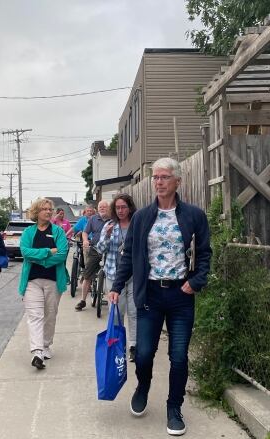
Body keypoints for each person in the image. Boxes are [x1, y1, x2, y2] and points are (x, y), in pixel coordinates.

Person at [109, 158, 211, 436]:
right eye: (155, 177)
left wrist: (195, 282)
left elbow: (204, 254)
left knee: (178, 356)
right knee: (143, 354)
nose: (159, 182)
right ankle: (143, 385)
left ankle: (173, 407)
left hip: (181, 295)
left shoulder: (194, 215)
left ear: (177, 181)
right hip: (150, 295)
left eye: (164, 177)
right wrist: (117, 285)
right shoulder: (142, 217)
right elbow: (129, 255)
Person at [18, 198, 69, 370]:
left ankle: (46, 345)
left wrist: (40, 259)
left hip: (53, 281)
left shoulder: (58, 232)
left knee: (50, 314)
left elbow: (62, 254)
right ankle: (37, 352)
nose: (48, 211)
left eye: (50, 209)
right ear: (36, 212)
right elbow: (25, 252)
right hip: (32, 281)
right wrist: (47, 252)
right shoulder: (28, 232)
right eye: (44, 209)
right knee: (35, 316)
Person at [95, 193, 137, 362]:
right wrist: (107, 236)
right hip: (113, 274)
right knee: (117, 311)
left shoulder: (136, 224)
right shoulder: (109, 225)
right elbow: (99, 249)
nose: (120, 211)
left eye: (123, 207)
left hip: (134, 276)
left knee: (134, 312)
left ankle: (134, 345)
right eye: (117, 207)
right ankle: (117, 344)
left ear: (130, 208)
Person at [75, 200, 110, 311]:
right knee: (87, 275)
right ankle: (83, 300)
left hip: (109, 251)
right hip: (95, 249)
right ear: (97, 209)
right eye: (100, 207)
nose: (102, 208)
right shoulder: (93, 219)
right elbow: (85, 232)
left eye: (105, 206)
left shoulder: (114, 220)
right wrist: (85, 240)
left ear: (109, 208)